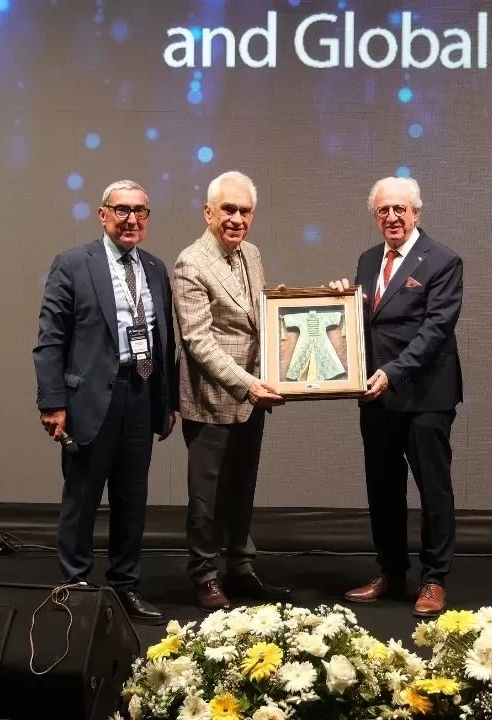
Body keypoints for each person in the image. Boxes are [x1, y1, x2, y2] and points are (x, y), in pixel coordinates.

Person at [33, 179, 178, 626]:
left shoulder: (155, 268)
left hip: (141, 394)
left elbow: (164, 340)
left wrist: (167, 400)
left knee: (132, 501)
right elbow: (50, 340)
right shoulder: (74, 264)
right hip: (90, 399)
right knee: (82, 498)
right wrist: (52, 403)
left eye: (140, 211)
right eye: (122, 210)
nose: (131, 219)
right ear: (102, 215)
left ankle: (125, 586)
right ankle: (74, 587)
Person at [330, 175, 464, 617]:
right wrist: (339, 303)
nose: (392, 217)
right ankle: (390, 571)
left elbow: (435, 331)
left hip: (425, 395)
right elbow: (363, 321)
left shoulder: (443, 260)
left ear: (416, 213)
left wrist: (392, 373)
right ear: (375, 216)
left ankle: (434, 579)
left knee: (433, 490)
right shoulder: (368, 259)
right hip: (376, 395)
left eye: (400, 209)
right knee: (383, 489)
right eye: (383, 210)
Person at [172, 170, 292, 611]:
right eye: (228, 209)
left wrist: (281, 307)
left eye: (245, 211)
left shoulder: (251, 253)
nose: (237, 218)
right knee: (206, 498)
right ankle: (204, 574)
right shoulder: (190, 263)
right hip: (213, 397)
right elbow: (198, 341)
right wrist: (248, 385)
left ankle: (240, 567)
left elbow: (253, 313)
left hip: (253, 398)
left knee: (242, 489)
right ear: (208, 212)